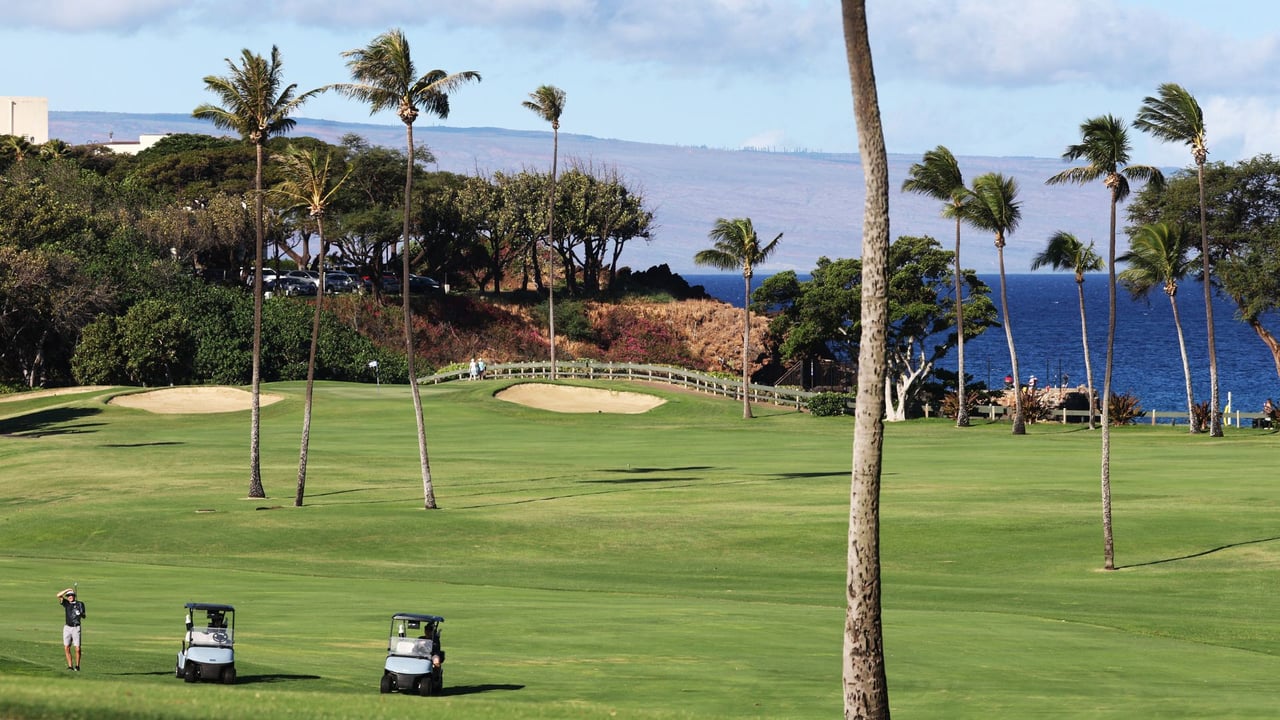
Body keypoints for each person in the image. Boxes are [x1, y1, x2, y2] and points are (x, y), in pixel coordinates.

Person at [57, 587, 85, 671]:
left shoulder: (80, 604)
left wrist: (79, 613)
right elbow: (58, 595)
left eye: (71, 595)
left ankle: (77, 666)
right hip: (67, 627)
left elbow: (84, 616)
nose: (70, 597)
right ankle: (70, 666)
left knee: (77, 648)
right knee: (67, 647)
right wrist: (67, 589)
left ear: (74, 596)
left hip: (76, 627)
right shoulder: (66, 603)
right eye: (68, 596)